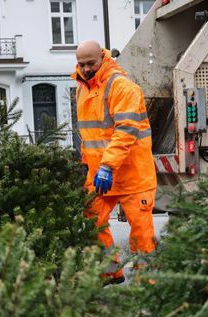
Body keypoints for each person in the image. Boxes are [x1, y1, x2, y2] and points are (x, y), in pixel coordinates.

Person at [72, 40, 157, 284]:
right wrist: (86, 165)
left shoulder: (122, 87)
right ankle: (110, 272)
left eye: (91, 63)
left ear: (103, 57)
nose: (86, 68)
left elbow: (126, 131)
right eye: (81, 64)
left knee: (141, 234)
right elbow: (89, 134)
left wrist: (107, 166)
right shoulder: (82, 88)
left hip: (132, 175)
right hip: (100, 175)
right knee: (93, 223)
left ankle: (149, 282)